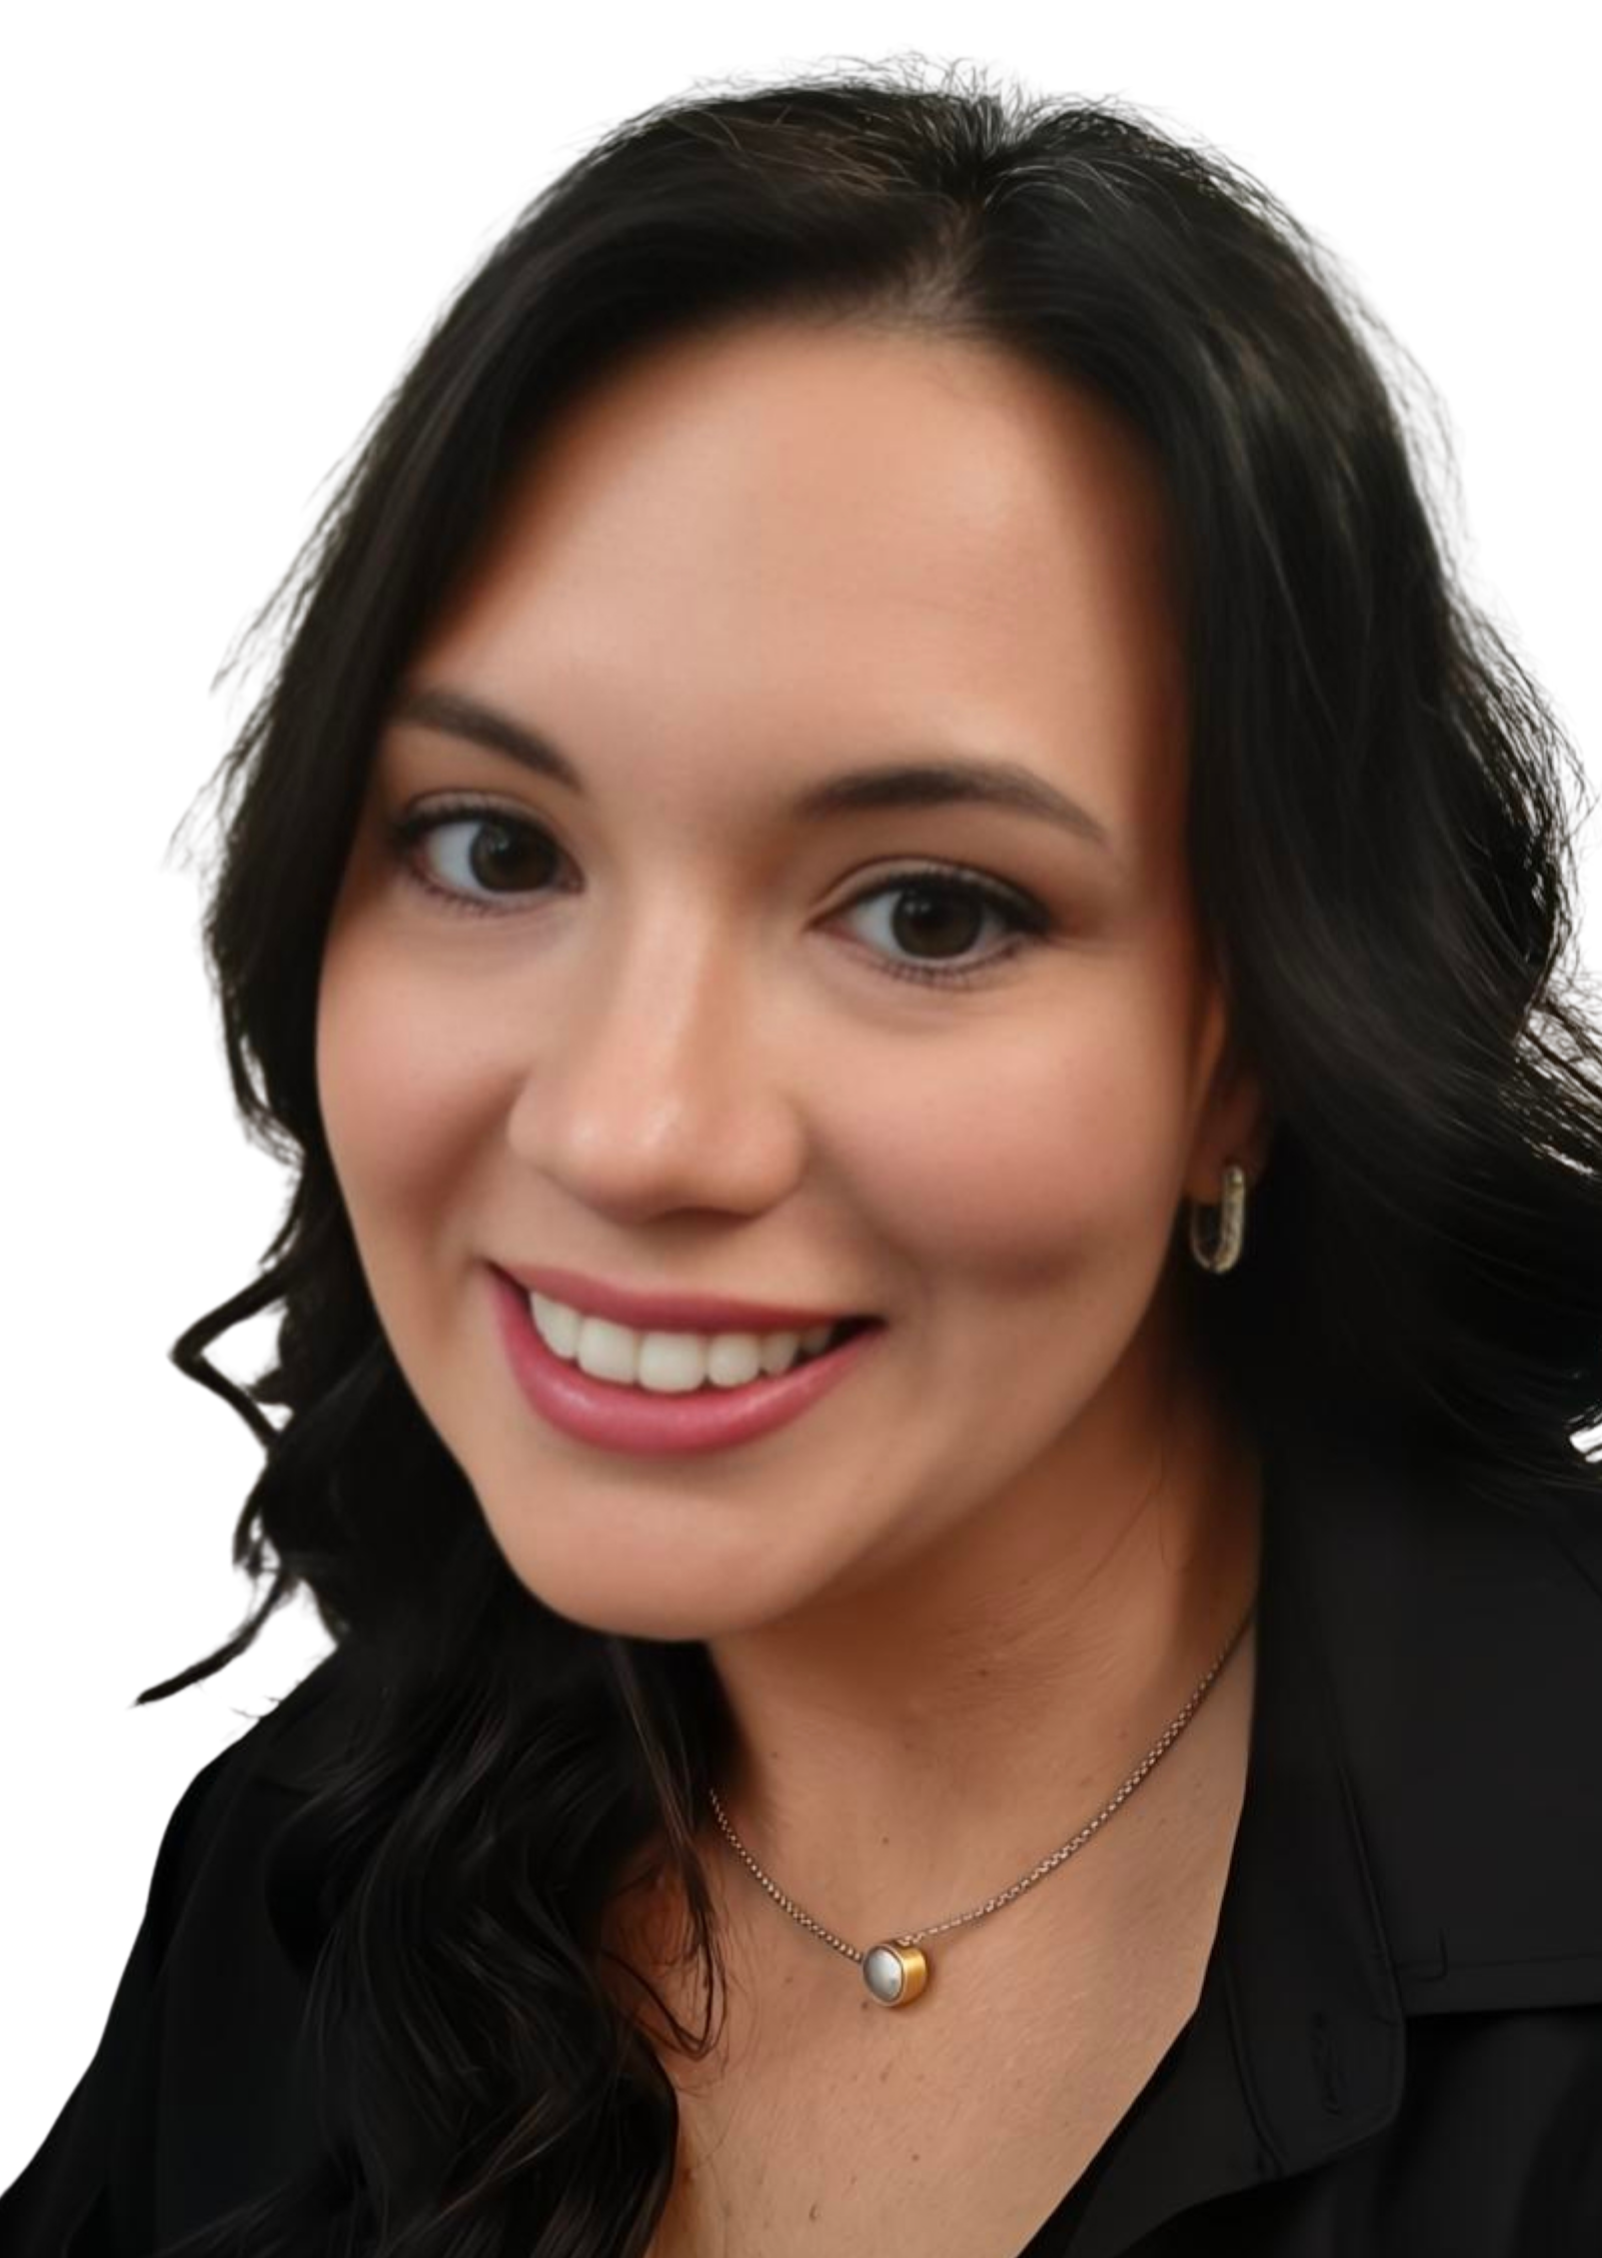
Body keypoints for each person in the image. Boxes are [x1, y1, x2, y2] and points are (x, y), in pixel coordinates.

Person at [5, 53, 1602, 2258]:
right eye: (492, 847)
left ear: (1255, 1043)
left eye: (930, 909)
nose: (634, 1126)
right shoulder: (317, 1861)